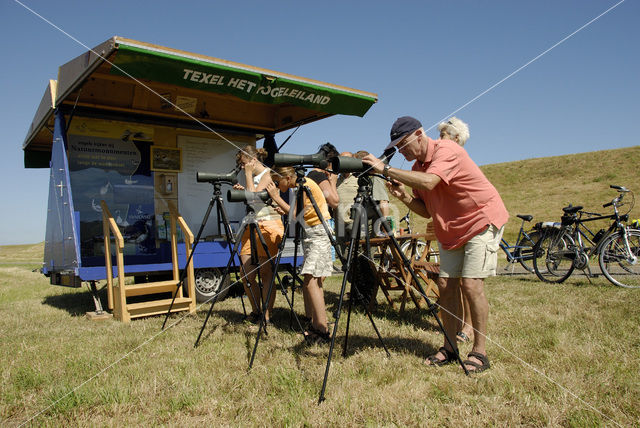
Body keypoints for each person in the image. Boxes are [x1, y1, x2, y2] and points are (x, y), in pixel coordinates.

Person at [362, 116, 508, 373]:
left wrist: (383, 169)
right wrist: (404, 196)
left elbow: (431, 182)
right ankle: (450, 347)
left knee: (471, 285)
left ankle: (480, 352)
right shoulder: (417, 169)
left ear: (419, 134)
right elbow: (426, 210)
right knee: (445, 285)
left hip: (481, 220)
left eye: (404, 144)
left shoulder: (447, 150)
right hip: (452, 229)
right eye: (397, 146)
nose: (401, 150)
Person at [266, 166, 332, 343]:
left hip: (317, 233)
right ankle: (317, 325)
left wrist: (276, 197)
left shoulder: (305, 185)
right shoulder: (302, 186)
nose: (277, 186)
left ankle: (322, 329)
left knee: (311, 281)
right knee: (313, 281)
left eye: (278, 182)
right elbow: (300, 215)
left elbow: (296, 215)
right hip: (313, 233)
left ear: (287, 177)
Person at [233, 145, 284, 325]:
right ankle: (256, 310)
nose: (241, 167)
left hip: (269, 225)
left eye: (243, 163)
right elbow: (251, 196)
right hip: (251, 224)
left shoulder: (268, 175)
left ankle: (266, 314)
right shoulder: (254, 177)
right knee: (245, 274)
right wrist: (244, 190)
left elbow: (253, 199)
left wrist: (247, 177)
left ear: (253, 160)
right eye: (240, 165)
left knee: (265, 273)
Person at [436, 118, 473, 344]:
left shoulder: (459, 159)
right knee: (453, 281)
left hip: (468, 225)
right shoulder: (441, 160)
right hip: (451, 228)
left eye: (444, 135)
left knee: (468, 282)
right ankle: (457, 323)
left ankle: (468, 326)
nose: (440, 139)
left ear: (456, 139)